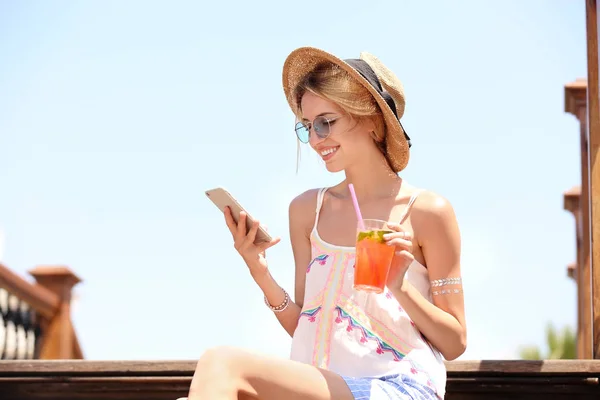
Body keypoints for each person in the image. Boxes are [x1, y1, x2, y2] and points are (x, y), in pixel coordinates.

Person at [183, 47, 466, 400]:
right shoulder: (307, 211)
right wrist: (260, 273)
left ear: (371, 119)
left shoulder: (426, 211)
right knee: (219, 375)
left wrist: (399, 286)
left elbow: (455, 342)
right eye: (307, 127)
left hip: (397, 386)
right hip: (325, 386)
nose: (315, 139)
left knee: (221, 362)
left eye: (325, 123)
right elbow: (307, 327)